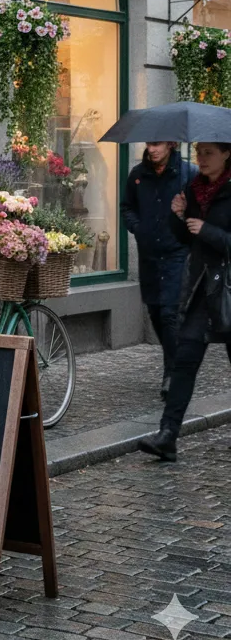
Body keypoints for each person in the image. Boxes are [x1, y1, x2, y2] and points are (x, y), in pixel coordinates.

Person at [139, 142, 231, 462]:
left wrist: (207, 230)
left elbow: (215, 238)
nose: (201, 159)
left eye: (209, 153)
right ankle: (168, 435)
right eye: (199, 152)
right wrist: (178, 216)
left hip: (229, 289)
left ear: (227, 154)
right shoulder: (194, 189)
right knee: (184, 361)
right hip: (202, 290)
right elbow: (184, 238)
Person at [121, 142, 194, 399]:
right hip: (149, 255)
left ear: (171, 144)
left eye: (157, 144)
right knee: (154, 311)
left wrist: (186, 214)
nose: (152, 149)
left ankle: (172, 373)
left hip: (177, 253)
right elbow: (127, 207)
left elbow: (203, 210)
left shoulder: (188, 174)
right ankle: (176, 361)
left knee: (169, 314)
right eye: (149, 144)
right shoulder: (138, 175)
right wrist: (138, 228)